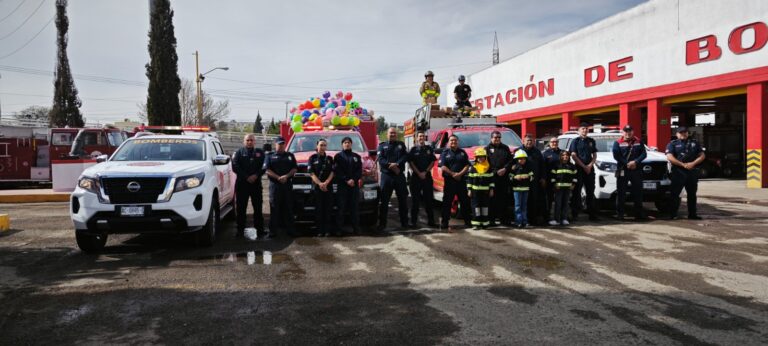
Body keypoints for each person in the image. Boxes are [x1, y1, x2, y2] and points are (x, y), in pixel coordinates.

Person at [666, 126, 705, 220]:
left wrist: (693, 163)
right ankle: (673, 214)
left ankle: (692, 214)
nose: (683, 134)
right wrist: (682, 165)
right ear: (677, 134)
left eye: (685, 132)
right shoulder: (672, 144)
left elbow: (702, 155)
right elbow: (669, 157)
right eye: (681, 132)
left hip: (692, 171)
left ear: (688, 133)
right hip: (678, 172)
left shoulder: (694, 143)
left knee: (692, 194)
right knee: (675, 194)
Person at [232, 134, 266, 238]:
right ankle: (240, 231)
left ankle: (260, 230)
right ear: (244, 141)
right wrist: (247, 177)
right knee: (241, 209)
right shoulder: (239, 153)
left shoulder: (260, 153)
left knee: (258, 208)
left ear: (254, 141)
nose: (249, 142)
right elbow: (235, 166)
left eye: (251, 140)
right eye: (247, 140)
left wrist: (256, 175)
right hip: (242, 185)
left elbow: (264, 166)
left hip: (256, 184)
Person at [612, 125, 648, 220]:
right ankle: (620, 214)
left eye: (630, 131)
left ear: (633, 131)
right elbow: (616, 156)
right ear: (623, 132)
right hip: (623, 169)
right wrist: (627, 163)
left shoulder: (639, 141)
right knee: (621, 193)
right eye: (626, 131)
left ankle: (638, 214)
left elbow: (644, 154)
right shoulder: (617, 143)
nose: (628, 133)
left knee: (638, 192)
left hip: (636, 170)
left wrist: (635, 162)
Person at [377, 127, 410, 231]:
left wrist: (397, 164)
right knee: (384, 202)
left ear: (396, 135)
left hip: (399, 176)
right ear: (387, 134)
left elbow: (405, 156)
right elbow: (380, 159)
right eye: (391, 133)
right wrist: (389, 165)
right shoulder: (382, 146)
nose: (392, 135)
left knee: (403, 201)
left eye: (394, 133)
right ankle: (382, 224)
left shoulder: (401, 145)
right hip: (386, 177)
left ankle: (404, 223)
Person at [265, 137, 298, 237]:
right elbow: (267, 170)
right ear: (275, 145)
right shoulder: (270, 156)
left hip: (287, 184)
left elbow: (294, 168)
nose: (281, 145)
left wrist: (286, 176)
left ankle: (290, 230)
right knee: (274, 208)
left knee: (288, 208)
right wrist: (278, 177)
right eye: (279, 144)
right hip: (275, 186)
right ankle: (273, 231)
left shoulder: (290, 156)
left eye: (283, 144)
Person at [439, 135, 472, 228]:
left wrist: (460, 174)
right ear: (448, 142)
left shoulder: (462, 152)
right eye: (451, 140)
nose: (453, 142)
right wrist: (453, 174)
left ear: (458, 141)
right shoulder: (445, 152)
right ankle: (445, 222)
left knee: (465, 201)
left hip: (461, 181)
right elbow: (443, 166)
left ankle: (467, 221)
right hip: (449, 181)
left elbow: (467, 165)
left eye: (455, 140)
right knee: (447, 202)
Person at [569, 122, 600, 221]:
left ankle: (592, 214)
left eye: (586, 128)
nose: (585, 130)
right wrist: (584, 166)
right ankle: (575, 214)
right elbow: (573, 155)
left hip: (590, 169)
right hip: (579, 169)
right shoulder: (575, 141)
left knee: (590, 191)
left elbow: (594, 155)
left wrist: (590, 165)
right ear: (579, 130)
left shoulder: (591, 141)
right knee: (576, 192)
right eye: (583, 128)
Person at [334, 136, 363, 235]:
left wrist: (353, 180)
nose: (347, 144)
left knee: (354, 208)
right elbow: (337, 171)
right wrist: (346, 180)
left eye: (349, 142)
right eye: (345, 142)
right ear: (342, 144)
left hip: (353, 186)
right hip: (342, 186)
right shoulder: (338, 157)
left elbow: (359, 171)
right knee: (341, 208)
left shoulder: (356, 157)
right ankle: (338, 229)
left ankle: (356, 228)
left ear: (351, 144)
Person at [408, 131, 437, 228]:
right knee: (415, 201)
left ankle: (431, 221)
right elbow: (411, 163)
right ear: (416, 138)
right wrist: (419, 173)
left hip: (427, 177)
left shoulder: (429, 149)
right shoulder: (413, 149)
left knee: (429, 200)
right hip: (416, 177)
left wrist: (425, 172)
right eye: (419, 136)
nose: (421, 138)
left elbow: (432, 162)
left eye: (423, 136)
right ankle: (413, 222)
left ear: (425, 138)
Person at [485, 131, 513, 226]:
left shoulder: (505, 148)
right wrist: (495, 172)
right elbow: (485, 163)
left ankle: (504, 219)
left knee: (504, 199)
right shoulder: (487, 149)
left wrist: (505, 168)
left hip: (504, 177)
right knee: (492, 199)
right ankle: (491, 219)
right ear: (491, 138)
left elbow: (510, 161)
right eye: (495, 137)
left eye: (499, 137)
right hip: (492, 177)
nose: (497, 139)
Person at [308, 139, 335, 237]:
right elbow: (311, 173)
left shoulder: (330, 159)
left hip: (328, 187)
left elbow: (332, 172)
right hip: (317, 188)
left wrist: (326, 183)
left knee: (328, 209)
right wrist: (320, 184)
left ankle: (327, 230)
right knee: (318, 209)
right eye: (321, 145)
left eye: (324, 145)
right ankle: (319, 230)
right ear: (317, 146)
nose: (323, 147)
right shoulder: (312, 158)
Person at [520, 134, 546, 225]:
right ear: (523, 141)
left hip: (535, 181)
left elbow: (542, 165)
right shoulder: (519, 151)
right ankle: (522, 219)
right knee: (522, 201)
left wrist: (543, 177)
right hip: (522, 181)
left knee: (533, 200)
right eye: (527, 140)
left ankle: (532, 219)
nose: (529, 142)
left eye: (531, 140)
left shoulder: (537, 152)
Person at [467, 148, 494, 229]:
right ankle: (476, 223)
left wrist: (491, 189)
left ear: (485, 157)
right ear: (476, 158)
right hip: (475, 192)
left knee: (485, 207)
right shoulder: (473, 168)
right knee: (476, 207)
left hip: (485, 192)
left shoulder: (489, 168)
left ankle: (485, 223)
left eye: (482, 157)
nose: (480, 158)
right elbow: (469, 180)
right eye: (479, 157)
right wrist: (469, 190)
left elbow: (491, 180)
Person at [549, 151, 577, 226]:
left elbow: (575, 177)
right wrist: (554, 184)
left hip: (568, 188)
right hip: (558, 188)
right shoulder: (557, 165)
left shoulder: (572, 166)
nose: (565, 156)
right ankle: (556, 220)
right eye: (563, 155)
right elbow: (552, 176)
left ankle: (564, 219)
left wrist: (573, 185)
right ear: (561, 156)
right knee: (558, 204)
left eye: (567, 155)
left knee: (565, 204)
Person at [542, 138, 564, 223]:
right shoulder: (545, 154)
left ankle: (560, 217)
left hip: (560, 180)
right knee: (549, 200)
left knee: (560, 200)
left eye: (556, 142)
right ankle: (547, 217)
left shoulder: (562, 153)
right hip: (549, 180)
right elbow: (543, 167)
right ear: (549, 143)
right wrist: (543, 179)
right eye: (552, 142)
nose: (554, 143)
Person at [510, 150, 534, 228]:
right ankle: (518, 221)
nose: (522, 160)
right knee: (517, 206)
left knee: (524, 206)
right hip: (517, 190)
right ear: (517, 159)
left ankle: (525, 221)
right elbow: (510, 177)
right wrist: (515, 177)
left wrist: (528, 177)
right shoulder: (514, 168)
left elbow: (532, 177)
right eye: (520, 159)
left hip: (525, 189)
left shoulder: (528, 167)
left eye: (523, 159)